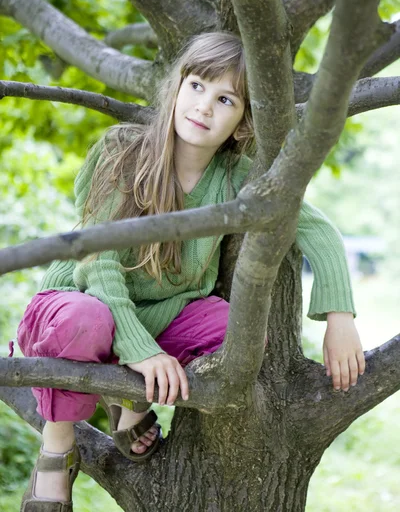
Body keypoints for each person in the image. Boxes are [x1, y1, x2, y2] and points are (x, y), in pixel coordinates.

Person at [17, 32, 365, 510]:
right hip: (78, 306)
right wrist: (141, 352)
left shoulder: (237, 179)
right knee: (88, 321)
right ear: (177, 86)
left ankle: (130, 399)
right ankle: (56, 452)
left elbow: (319, 231)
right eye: (198, 86)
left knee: (236, 331)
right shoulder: (124, 152)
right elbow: (98, 264)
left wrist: (340, 318)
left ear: (242, 121)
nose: (204, 107)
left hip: (159, 316)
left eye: (226, 99)